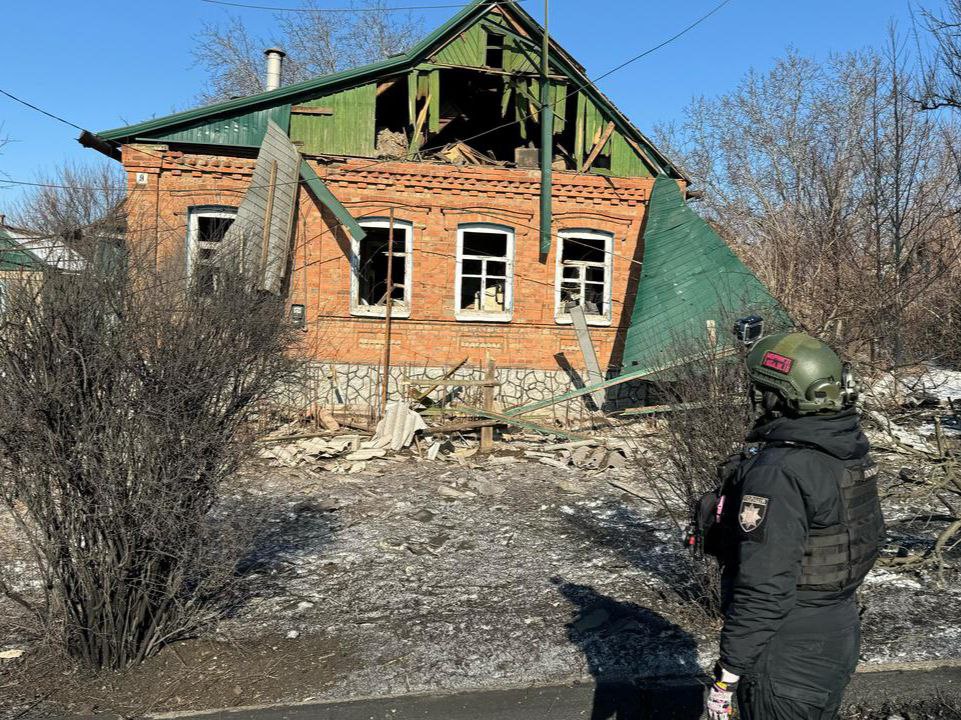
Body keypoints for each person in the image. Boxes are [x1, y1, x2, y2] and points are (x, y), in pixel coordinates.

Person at [705, 332, 885, 720]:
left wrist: (728, 674)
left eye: (762, 388)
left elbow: (765, 587)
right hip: (835, 634)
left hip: (786, 651)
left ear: (780, 396)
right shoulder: (844, 449)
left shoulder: (780, 471)